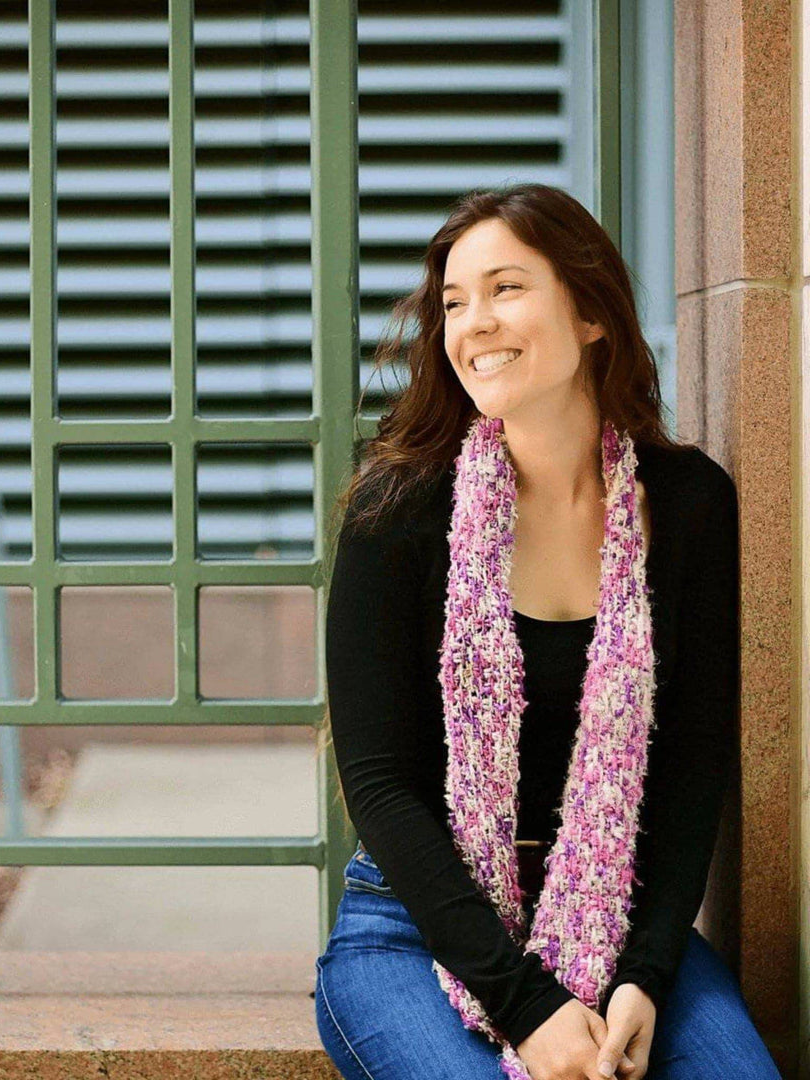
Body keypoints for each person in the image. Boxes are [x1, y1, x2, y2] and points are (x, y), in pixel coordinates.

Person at [314, 183, 781, 1080]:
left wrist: (645, 974)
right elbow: (380, 786)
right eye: (455, 303)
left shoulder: (688, 503)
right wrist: (528, 1005)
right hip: (415, 928)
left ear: (592, 312)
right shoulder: (397, 509)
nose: (474, 325)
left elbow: (692, 769)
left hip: (619, 918)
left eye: (507, 288)